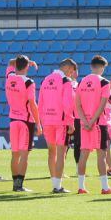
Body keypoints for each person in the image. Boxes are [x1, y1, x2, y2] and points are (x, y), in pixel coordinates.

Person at [75, 55, 111, 194]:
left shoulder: (82, 81)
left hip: (84, 123)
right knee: (102, 155)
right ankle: (105, 187)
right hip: (99, 123)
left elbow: (77, 105)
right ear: (102, 67)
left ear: (91, 66)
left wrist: (85, 121)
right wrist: (92, 121)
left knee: (84, 154)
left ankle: (81, 187)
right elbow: (102, 105)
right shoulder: (104, 82)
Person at [38, 58, 77, 193]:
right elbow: (68, 103)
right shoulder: (65, 81)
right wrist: (70, 121)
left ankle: (54, 183)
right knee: (61, 153)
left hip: (47, 120)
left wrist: (41, 120)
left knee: (51, 152)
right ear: (67, 68)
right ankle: (58, 186)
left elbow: (40, 101)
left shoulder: (46, 79)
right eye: (71, 71)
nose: (71, 74)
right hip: (60, 121)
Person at [5, 55, 42, 192]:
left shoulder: (9, 77)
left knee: (15, 154)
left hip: (13, 119)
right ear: (27, 67)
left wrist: (25, 62)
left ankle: (15, 184)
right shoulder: (29, 82)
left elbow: (10, 62)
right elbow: (33, 104)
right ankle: (19, 185)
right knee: (24, 154)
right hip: (26, 121)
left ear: (15, 66)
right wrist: (38, 123)